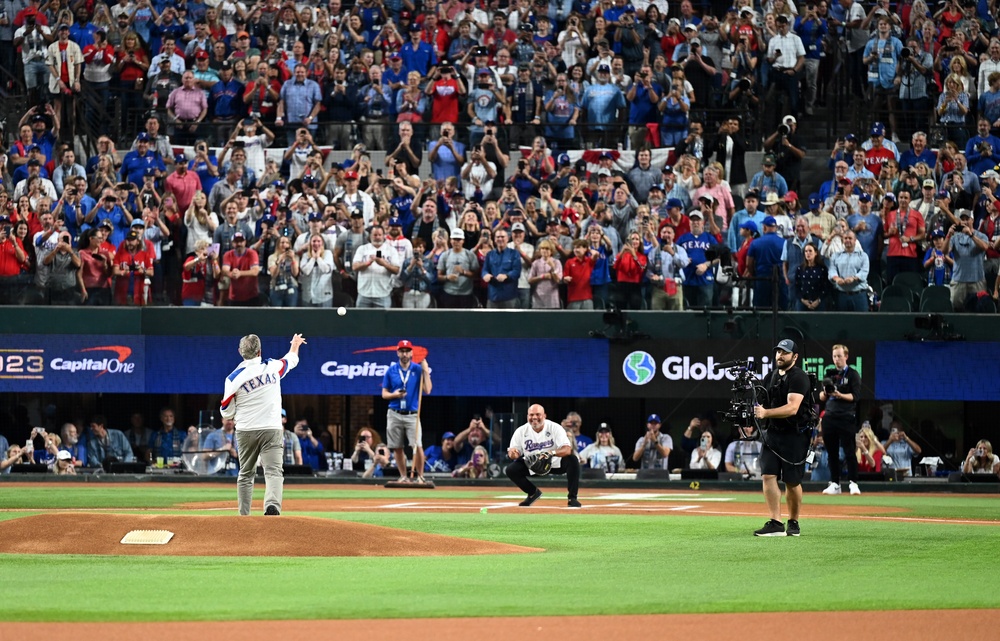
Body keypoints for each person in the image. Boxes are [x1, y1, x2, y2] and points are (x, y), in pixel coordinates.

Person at [220, 332, 306, 516]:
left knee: (246, 474)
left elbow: (226, 411)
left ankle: (244, 515)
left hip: (246, 430)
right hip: (272, 429)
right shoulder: (272, 366)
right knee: (274, 471)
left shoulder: (233, 378)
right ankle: (272, 506)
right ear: (260, 351)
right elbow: (291, 360)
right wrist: (295, 344)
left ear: (240, 352)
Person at [751, 339, 813, 537]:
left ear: (795, 357)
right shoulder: (770, 376)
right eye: (778, 351)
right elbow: (760, 403)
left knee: (792, 481)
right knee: (768, 475)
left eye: (785, 352)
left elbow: (792, 408)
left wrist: (766, 413)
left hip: (794, 434)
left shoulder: (799, 377)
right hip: (772, 433)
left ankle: (793, 522)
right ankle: (776, 522)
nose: (780, 355)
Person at [505, 404, 581, 508]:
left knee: (573, 460)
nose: (534, 417)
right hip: (533, 464)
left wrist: (551, 453)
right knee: (511, 470)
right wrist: (513, 454)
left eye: (538, 414)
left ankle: (572, 498)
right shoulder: (521, 431)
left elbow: (567, 449)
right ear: (527, 416)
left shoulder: (555, 427)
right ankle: (533, 493)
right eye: (531, 415)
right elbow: (513, 452)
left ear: (544, 416)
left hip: (554, 462)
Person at [381, 339, 432, 483]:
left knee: (417, 445)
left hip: (412, 414)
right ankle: (403, 476)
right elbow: (384, 394)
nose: (404, 354)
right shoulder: (391, 371)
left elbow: (427, 390)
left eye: (407, 351)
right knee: (397, 447)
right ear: (398, 353)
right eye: (402, 351)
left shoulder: (417, 369)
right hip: (394, 413)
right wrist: (395, 395)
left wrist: (426, 370)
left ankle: (420, 476)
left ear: (411, 353)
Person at [819, 344, 864, 495]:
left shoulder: (853, 374)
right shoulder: (829, 373)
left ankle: (853, 482)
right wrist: (826, 392)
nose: (836, 359)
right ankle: (835, 483)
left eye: (839, 356)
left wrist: (839, 395)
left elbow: (855, 397)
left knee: (849, 451)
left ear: (846, 356)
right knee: (832, 452)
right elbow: (821, 396)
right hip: (830, 416)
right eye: (834, 356)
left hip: (846, 417)